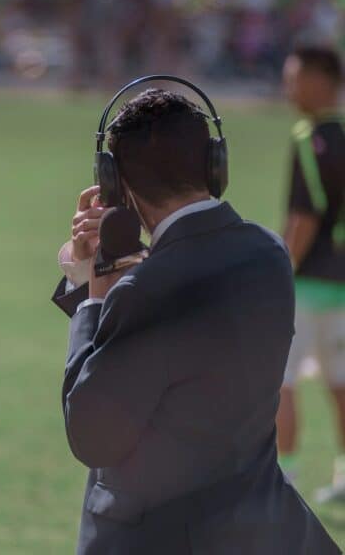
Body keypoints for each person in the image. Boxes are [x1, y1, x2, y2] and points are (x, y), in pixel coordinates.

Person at [52, 89, 339, 554]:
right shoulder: (269, 255)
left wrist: (96, 292)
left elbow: (92, 434)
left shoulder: (143, 289)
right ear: (214, 163)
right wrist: (123, 272)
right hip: (257, 531)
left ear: (114, 183)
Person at [276, 45, 345, 502]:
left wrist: (279, 269)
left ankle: (286, 478)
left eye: (294, 77)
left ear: (322, 81)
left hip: (307, 285)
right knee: (341, 384)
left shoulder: (308, 139)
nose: (288, 87)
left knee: (280, 383)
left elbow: (304, 218)